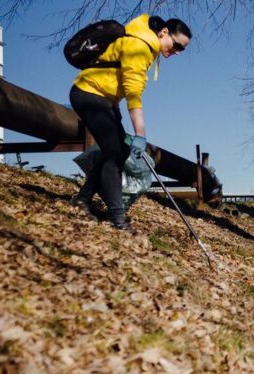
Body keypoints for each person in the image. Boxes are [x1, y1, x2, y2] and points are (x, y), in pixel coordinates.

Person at [68, 14, 191, 231]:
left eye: (182, 49)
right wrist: (140, 133)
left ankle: (83, 199)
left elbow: (116, 77)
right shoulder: (141, 46)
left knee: (118, 151)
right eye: (177, 45)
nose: (177, 51)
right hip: (89, 94)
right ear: (164, 32)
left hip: (102, 99)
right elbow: (133, 92)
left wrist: (114, 106)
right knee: (114, 154)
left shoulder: (144, 44)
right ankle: (117, 218)